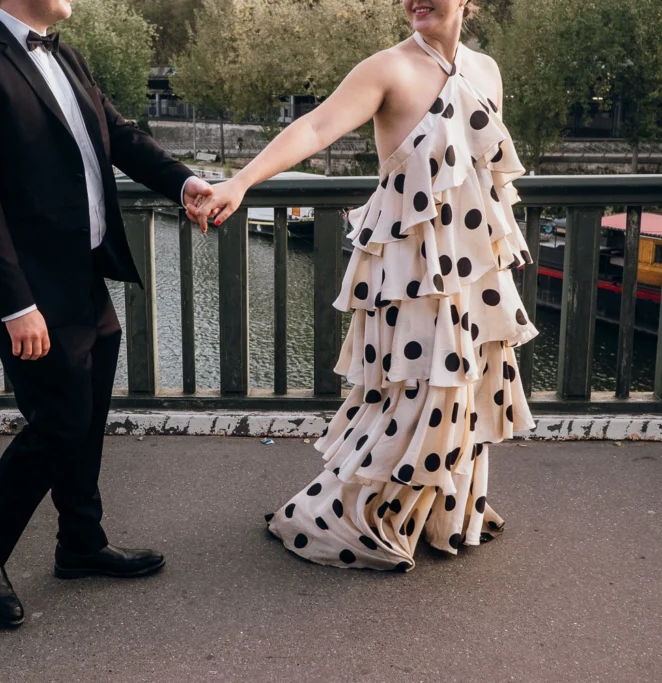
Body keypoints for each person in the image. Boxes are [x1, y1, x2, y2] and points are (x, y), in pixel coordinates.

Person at [199, 0, 538, 571]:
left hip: (470, 266)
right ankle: (353, 515)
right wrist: (241, 180)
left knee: (462, 390)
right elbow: (316, 125)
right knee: (411, 393)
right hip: (409, 267)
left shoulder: (487, 71)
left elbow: (484, 174)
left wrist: (500, 252)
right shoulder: (386, 68)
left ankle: (440, 508)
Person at [0, 0, 213, 628]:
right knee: (60, 420)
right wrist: (16, 304)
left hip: (82, 275)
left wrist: (184, 181)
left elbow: (120, 136)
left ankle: (80, 543)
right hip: (27, 293)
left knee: (85, 417)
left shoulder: (65, 52)